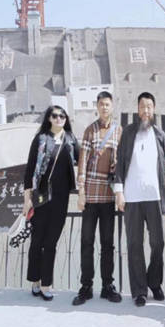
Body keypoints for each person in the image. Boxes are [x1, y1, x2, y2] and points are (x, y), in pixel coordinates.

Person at [114, 92, 165, 307]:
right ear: (137, 110)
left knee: (158, 243)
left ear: (153, 109)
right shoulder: (128, 133)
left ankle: (154, 282)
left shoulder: (159, 134)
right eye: (142, 107)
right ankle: (139, 290)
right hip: (132, 197)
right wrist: (119, 192)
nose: (145, 110)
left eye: (149, 106)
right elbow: (120, 163)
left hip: (154, 197)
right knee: (134, 244)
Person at [22, 105, 79, 301]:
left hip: (61, 199)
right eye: (55, 116)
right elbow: (30, 170)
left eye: (62, 116)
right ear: (48, 118)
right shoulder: (40, 139)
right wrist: (26, 200)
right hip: (40, 197)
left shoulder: (71, 139)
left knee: (51, 242)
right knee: (37, 241)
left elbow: (83, 160)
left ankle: (46, 284)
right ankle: (35, 281)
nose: (59, 119)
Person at [73, 91, 123, 305]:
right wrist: (81, 193)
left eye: (107, 104)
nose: (104, 107)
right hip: (91, 196)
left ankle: (107, 286)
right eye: (101, 104)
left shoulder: (118, 131)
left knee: (107, 244)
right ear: (97, 106)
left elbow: (121, 163)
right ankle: (86, 286)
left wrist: (120, 191)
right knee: (86, 242)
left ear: (112, 106)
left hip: (109, 196)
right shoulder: (89, 130)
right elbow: (82, 163)